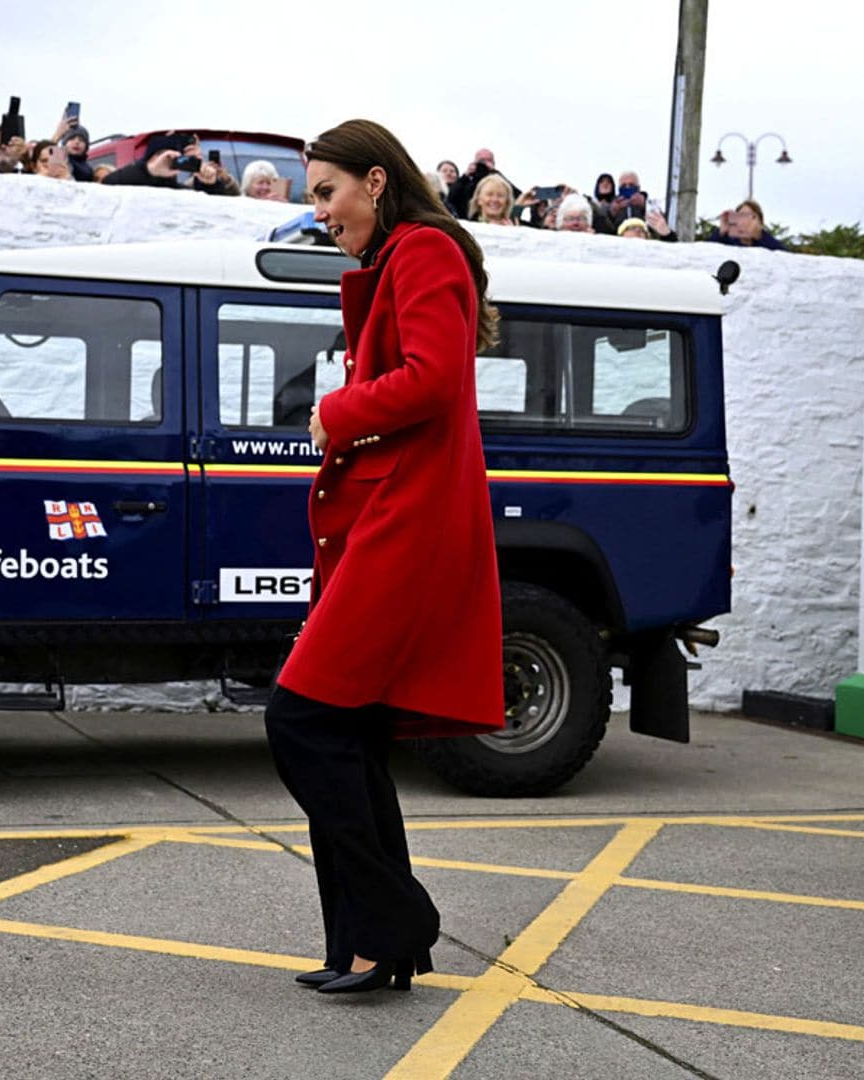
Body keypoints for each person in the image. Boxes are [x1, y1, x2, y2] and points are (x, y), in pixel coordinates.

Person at [267, 118, 504, 997]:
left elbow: (436, 379)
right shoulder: (397, 259)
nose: (319, 212)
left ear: (375, 180)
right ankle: (368, 947)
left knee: (301, 720)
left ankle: (395, 919)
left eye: (326, 192)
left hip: (406, 524)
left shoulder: (424, 251)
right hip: (385, 520)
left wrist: (340, 408)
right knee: (349, 733)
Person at [102, 133, 240, 194]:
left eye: (173, 158)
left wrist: (210, 184)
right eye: (160, 156)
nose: (166, 161)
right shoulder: (127, 184)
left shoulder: (181, 193)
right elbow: (107, 184)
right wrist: (150, 170)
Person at [447, 147, 518, 218]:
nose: (484, 163)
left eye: (489, 160)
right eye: (481, 160)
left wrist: (495, 173)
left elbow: (517, 196)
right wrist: (465, 176)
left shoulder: (499, 181)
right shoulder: (466, 182)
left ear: (494, 163)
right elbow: (450, 197)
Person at [707, 199, 786, 250]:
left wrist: (758, 236)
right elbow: (705, 252)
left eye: (752, 217)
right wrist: (721, 232)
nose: (746, 221)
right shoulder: (726, 238)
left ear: (760, 222)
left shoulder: (768, 243)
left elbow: (784, 257)